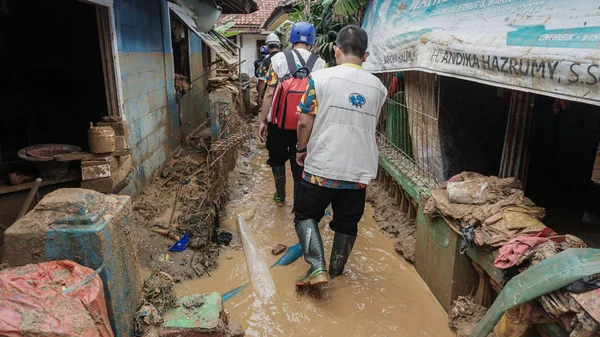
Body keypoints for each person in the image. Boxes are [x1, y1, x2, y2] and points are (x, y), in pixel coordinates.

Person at [293, 25, 387, 286]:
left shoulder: (320, 79)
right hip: (358, 172)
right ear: (365, 56)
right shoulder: (380, 88)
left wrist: (302, 150)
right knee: (347, 225)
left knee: (304, 215)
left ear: (336, 50)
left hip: (322, 167)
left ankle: (316, 267)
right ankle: (335, 274)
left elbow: (304, 122)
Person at [258, 22, 326, 207]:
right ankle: (298, 205)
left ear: (292, 39)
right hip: (306, 125)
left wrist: (263, 121)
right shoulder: (320, 63)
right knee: (300, 162)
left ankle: (280, 197)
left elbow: (269, 93)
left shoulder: (277, 59)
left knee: (277, 158)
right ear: (312, 40)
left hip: (278, 124)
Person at [257, 33, 281, 106]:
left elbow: (262, 81)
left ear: (267, 46)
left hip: (269, 94)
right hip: (284, 93)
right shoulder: (287, 59)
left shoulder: (265, 62)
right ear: (278, 45)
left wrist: (259, 95)